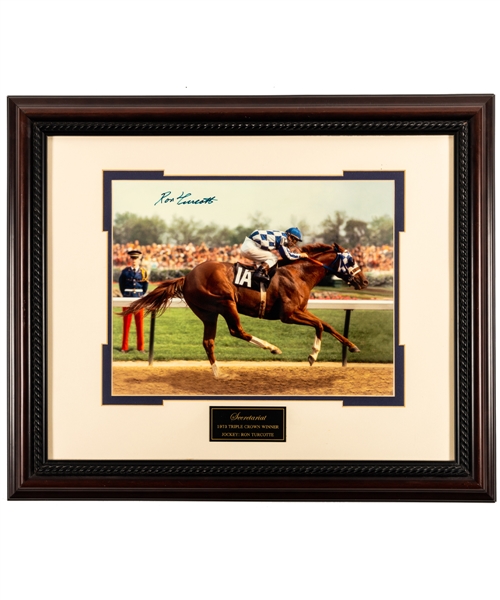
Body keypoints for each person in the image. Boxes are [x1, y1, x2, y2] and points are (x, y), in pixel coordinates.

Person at [240, 227, 308, 282]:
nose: (294, 243)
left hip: (249, 245)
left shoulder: (281, 235)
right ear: (290, 237)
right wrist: (300, 255)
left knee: (267, 260)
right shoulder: (283, 238)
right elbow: (287, 256)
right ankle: (258, 273)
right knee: (274, 258)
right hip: (250, 246)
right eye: (295, 240)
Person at [119, 249, 149, 352]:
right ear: (130, 259)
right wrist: (125, 294)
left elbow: (145, 286)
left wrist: (141, 295)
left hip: (139, 299)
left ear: (140, 258)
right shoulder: (125, 272)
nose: (134, 260)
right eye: (132, 258)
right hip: (127, 298)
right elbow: (121, 285)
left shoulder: (143, 272)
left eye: (136, 258)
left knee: (140, 324)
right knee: (126, 324)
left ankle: (141, 348)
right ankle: (124, 347)